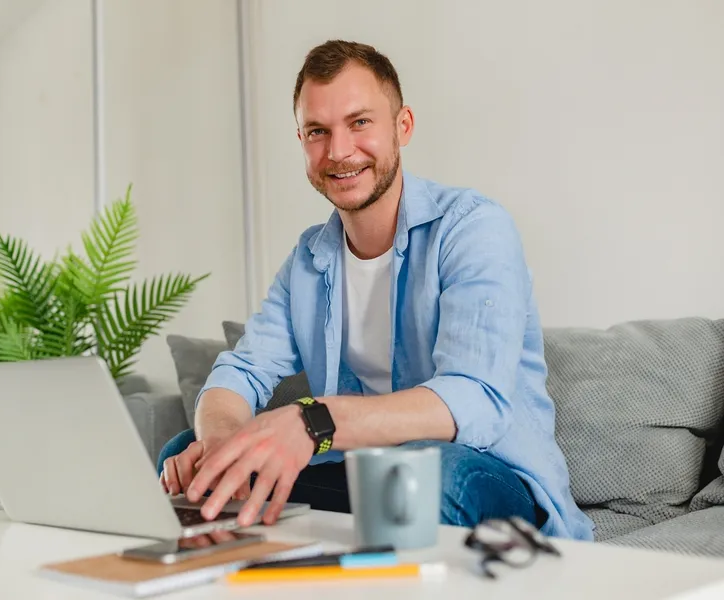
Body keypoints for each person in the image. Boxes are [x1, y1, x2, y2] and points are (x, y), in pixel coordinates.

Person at [158, 39, 594, 541]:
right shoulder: (309, 259)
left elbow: (474, 397)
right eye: (318, 131)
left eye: (360, 122)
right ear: (301, 139)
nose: (339, 151)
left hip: (483, 475)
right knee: (185, 457)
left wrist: (312, 423)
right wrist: (222, 444)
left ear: (402, 126)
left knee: (423, 473)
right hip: (360, 473)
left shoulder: (473, 228)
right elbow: (240, 373)